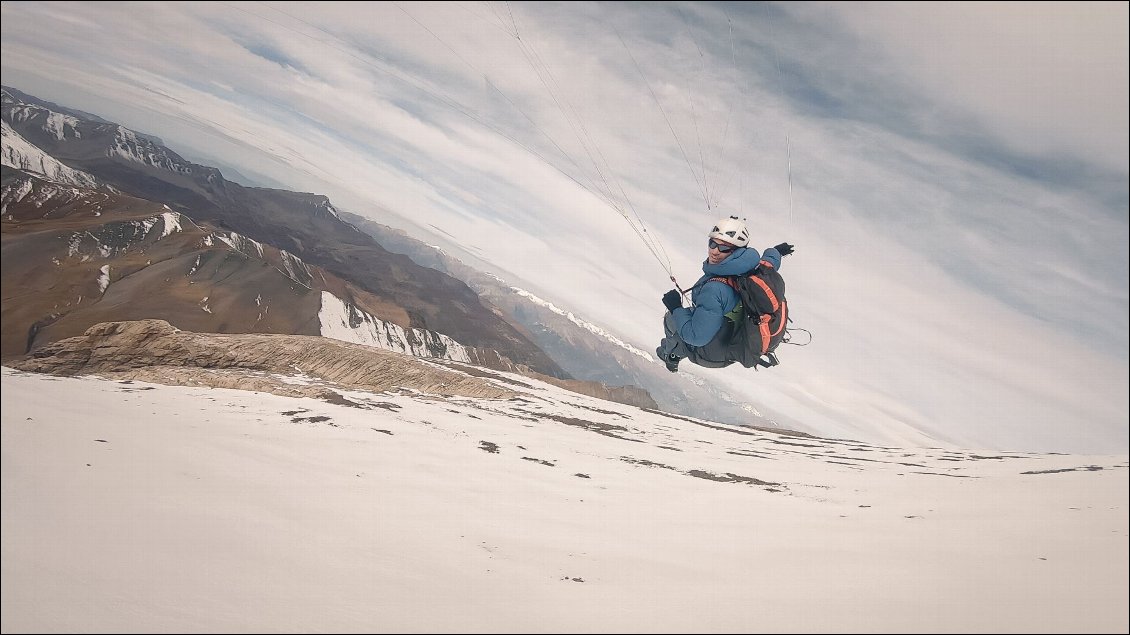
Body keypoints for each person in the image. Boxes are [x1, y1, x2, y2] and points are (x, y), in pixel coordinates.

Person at [656, 215, 794, 372]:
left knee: (672, 319)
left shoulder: (714, 290)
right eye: (712, 243)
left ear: (736, 251)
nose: (715, 251)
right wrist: (775, 252)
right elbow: (769, 264)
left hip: (709, 354)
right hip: (731, 347)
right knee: (696, 316)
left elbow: (696, 337)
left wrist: (675, 307)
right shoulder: (751, 268)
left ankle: (671, 355)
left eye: (724, 248)